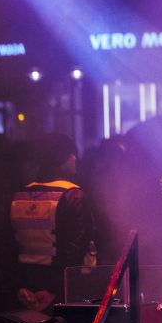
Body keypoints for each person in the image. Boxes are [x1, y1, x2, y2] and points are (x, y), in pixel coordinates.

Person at [9, 133, 97, 311]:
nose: (75, 158)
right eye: (72, 153)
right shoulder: (73, 195)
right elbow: (75, 249)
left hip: (26, 291)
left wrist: (19, 287)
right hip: (65, 290)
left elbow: (9, 246)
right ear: (61, 157)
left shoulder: (20, 195)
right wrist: (53, 290)